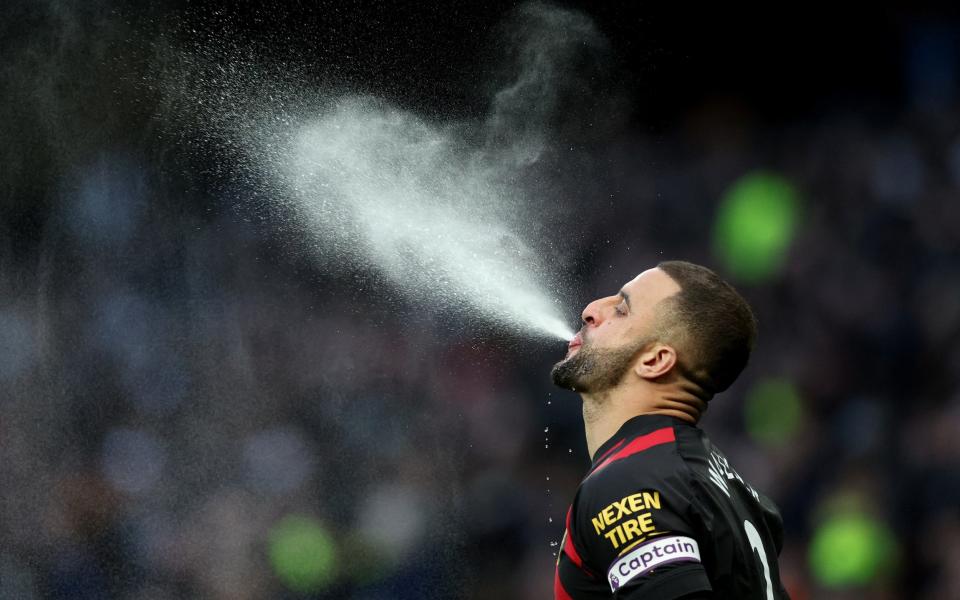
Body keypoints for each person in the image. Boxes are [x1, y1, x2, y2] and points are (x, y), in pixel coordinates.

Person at [551, 260, 789, 599]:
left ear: (654, 361)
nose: (591, 310)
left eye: (621, 310)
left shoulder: (632, 482)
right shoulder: (726, 489)